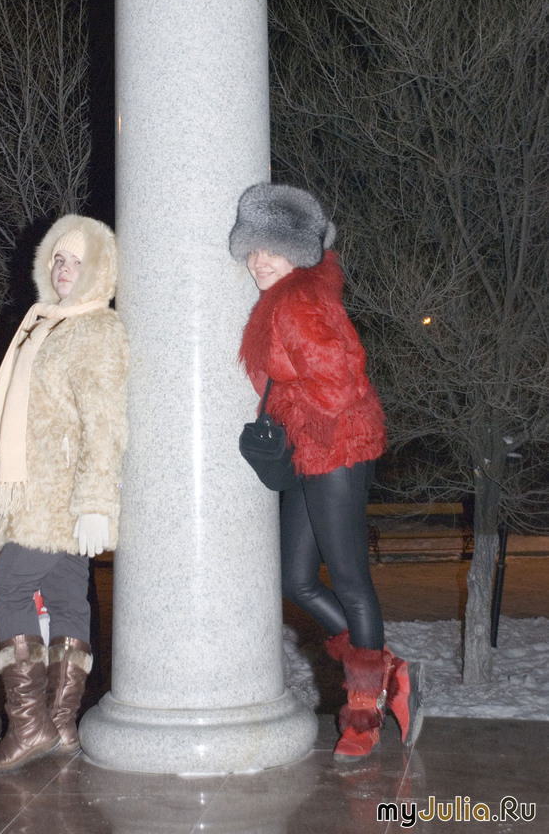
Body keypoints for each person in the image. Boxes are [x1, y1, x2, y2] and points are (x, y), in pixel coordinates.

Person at [229, 182, 423, 761]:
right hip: (312, 450)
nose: (260, 261)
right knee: (296, 579)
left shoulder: (299, 303)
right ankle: (388, 670)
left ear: (299, 252)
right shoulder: (284, 298)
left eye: (273, 250)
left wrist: (290, 396)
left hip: (338, 448)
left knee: (350, 579)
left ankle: (364, 712)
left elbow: (340, 383)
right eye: (253, 249)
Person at [0, 214, 129, 771]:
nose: (64, 268)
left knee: (7, 586)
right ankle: (60, 726)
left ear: (98, 271)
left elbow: (105, 422)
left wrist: (96, 503)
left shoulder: (97, 330)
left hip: (60, 492)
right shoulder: (44, 323)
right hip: (39, 485)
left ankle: (29, 726)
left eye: (78, 261)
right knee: (65, 600)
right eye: (59, 258)